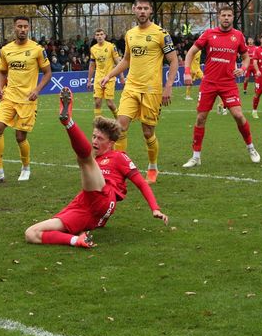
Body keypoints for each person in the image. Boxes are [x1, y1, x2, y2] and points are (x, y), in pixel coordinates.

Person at [24, 88, 168, 248]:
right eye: (93, 136)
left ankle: (68, 122)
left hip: (104, 196)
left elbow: (141, 183)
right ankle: (77, 240)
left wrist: (155, 208)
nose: (95, 141)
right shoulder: (96, 158)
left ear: (111, 143)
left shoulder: (119, 157)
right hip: (87, 205)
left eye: (100, 138)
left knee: (84, 160)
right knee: (31, 233)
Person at [100, 0, 179, 185]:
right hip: (131, 87)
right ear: (134, 10)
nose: (142, 11)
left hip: (152, 90)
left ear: (150, 11)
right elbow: (127, 60)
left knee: (147, 132)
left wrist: (168, 86)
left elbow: (174, 60)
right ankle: (119, 169)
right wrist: (109, 75)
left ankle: (152, 166)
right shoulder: (130, 34)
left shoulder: (161, 33)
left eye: (145, 8)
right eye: (139, 8)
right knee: (120, 127)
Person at [182, 5, 261, 168]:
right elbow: (190, 53)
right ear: (219, 17)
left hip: (228, 83)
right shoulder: (209, 34)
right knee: (200, 118)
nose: (226, 18)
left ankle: (251, 148)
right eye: (223, 15)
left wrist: (243, 68)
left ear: (233, 18)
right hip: (209, 83)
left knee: (238, 115)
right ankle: (196, 156)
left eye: (229, 15)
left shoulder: (238, 36)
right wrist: (187, 72)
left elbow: (246, 58)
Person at [0, 16, 52, 183]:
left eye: (25, 26)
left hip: (28, 99)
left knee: (20, 137)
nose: (22, 29)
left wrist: (37, 90)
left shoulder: (37, 49)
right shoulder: (6, 50)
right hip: (9, 97)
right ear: (14, 28)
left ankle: (26, 167)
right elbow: (3, 72)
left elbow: (48, 72)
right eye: (19, 26)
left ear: (29, 28)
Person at [87, 28, 121, 118]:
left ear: (105, 36)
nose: (99, 36)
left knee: (110, 103)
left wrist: (121, 77)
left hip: (109, 78)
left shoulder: (111, 46)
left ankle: (119, 120)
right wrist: (89, 80)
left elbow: (118, 62)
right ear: (95, 37)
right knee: (97, 102)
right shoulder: (93, 49)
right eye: (97, 35)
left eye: (101, 34)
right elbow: (92, 65)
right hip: (98, 78)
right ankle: (98, 124)